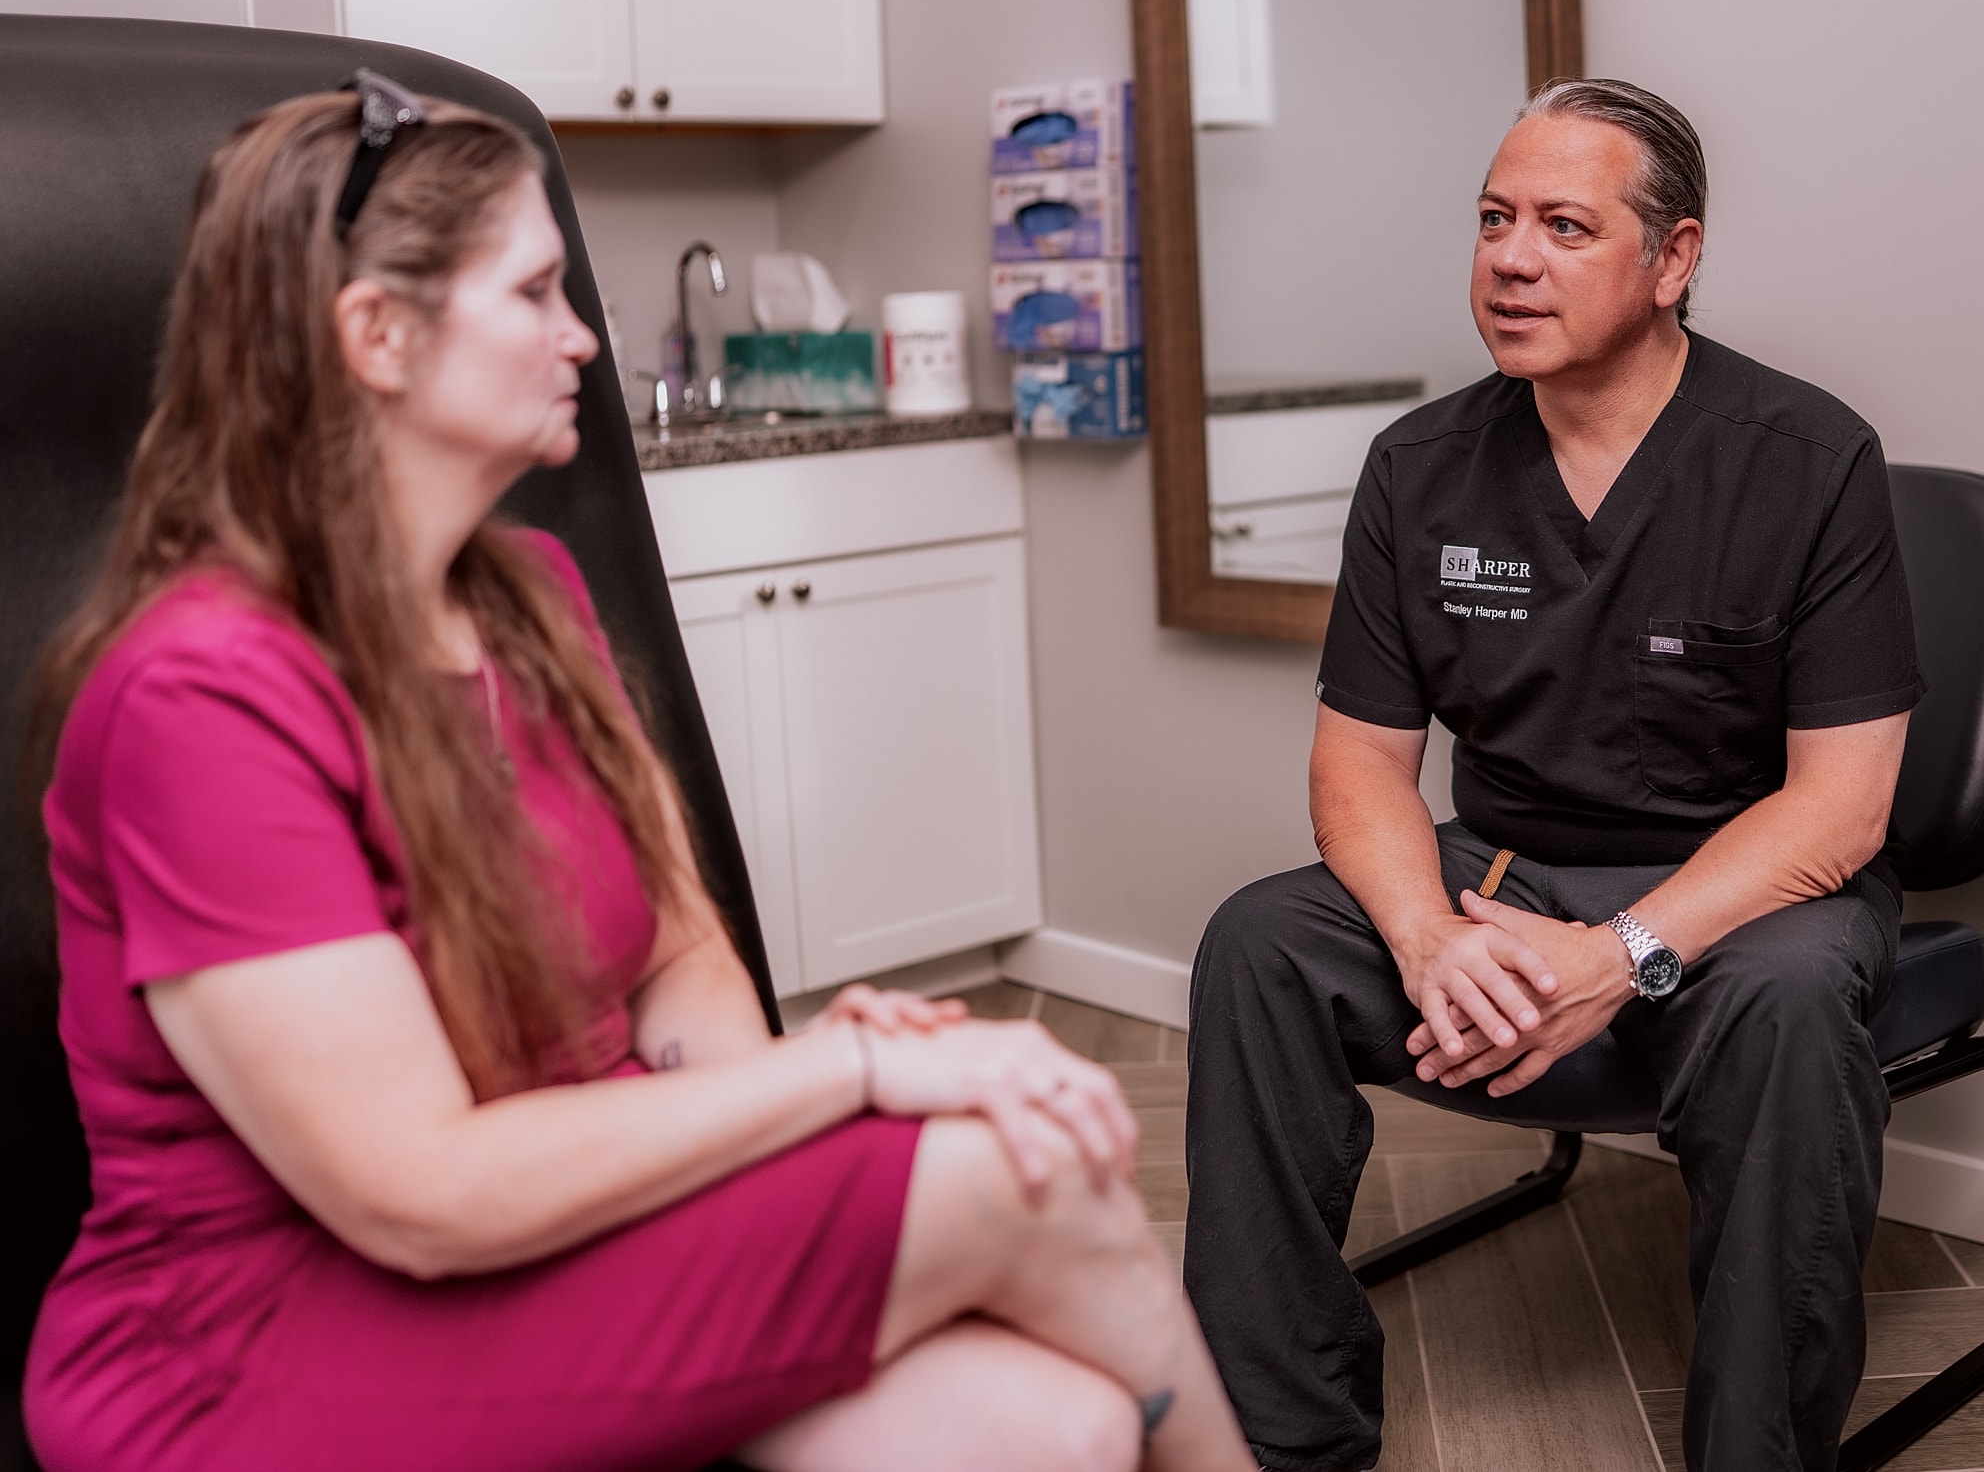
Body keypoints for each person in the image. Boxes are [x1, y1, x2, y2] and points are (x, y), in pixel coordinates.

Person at [23, 75, 1255, 1472]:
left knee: (1068, 1426)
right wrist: (848, 1075)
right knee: (1023, 1173)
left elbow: (681, 958)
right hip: (254, 1340)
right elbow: (416, 1194)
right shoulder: (199, 693)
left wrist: (787, 1158)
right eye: (538, 291)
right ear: (375, 333)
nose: (584, 338)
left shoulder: (530, 596)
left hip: (566, 1223)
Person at [1182, 79, 1924, 1472]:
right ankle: (1276, 1441)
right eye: (1492, 219)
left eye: (1565, 225)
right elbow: (1356, 766)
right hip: (1501, 874)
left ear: (1674, 260)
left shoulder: (1813, 461)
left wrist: (1618, 957)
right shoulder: (1420, 467)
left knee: (1790, 994)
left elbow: (1843, 809)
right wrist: (1429, 932)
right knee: (1261, 944)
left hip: (1747, 895)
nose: (1512, 257)